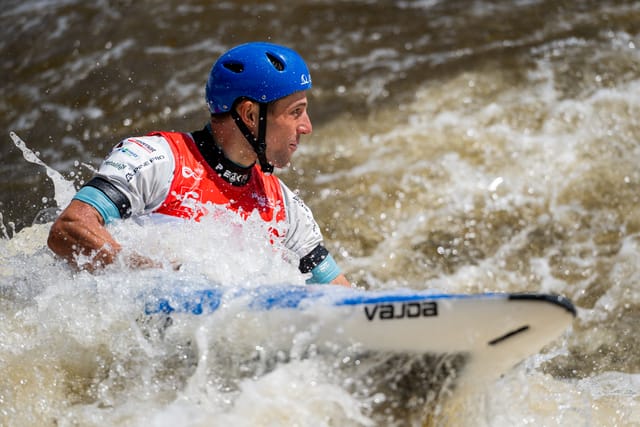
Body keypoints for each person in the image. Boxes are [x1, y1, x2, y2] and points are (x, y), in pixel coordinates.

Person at [47, 42, 350, 286]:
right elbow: (68, 230)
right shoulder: (156, 159)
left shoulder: (284, 206)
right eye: (296, 112)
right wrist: (154, 275)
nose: (307, 126)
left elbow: (338, 295)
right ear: (249, 114)